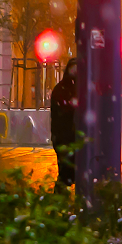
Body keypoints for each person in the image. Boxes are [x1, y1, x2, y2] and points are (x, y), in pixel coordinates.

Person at [50, 58, 78, 192]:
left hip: (69, 137)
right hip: (65, 137)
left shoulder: (64, 89)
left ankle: (60, 199)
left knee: (67, 174)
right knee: (66, 173)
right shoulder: (62, 90)